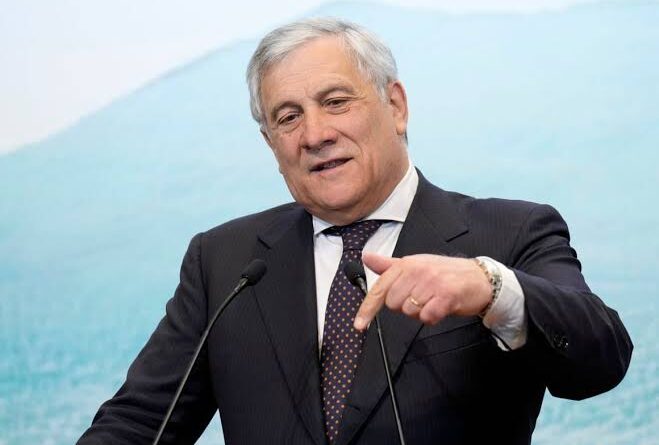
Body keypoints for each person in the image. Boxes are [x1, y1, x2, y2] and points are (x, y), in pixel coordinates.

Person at [77, 18, 632, 445]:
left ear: (395, 106)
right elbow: (140, 423)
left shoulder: (509, 233)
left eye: (335, 102)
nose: (315, 133)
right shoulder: (224, 261)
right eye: (288, 117)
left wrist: (489, 288)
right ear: (271, 144)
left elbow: (600, 359)